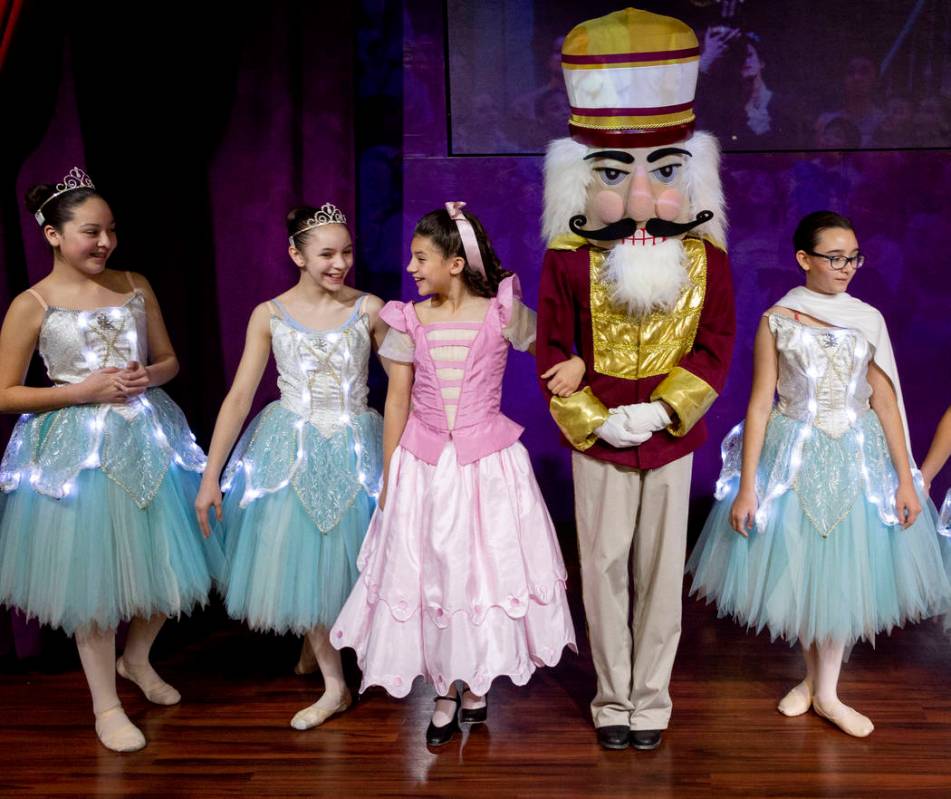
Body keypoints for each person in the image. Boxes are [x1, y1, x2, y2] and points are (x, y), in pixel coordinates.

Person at [535, 8, 735, 752]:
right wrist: (596, 417)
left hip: (670, 436)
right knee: (603, 565)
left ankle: (650, 695)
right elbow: (550, 350)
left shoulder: (708, 260)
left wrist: (660, 412)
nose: (644, 197)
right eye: (617, 175)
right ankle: (610, 692)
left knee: (659, 571)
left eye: (665, 172)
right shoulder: (565, 260)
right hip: (597, 437)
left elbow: (715, 345)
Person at [687, 211, 951, 737]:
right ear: (803, 259)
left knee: (844, 574)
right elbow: (760, 404)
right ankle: (815, 684)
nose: (846, 266)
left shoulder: (867, 318)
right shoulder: (777, 318)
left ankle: (825, 690)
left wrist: (906, 478)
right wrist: (748, 485)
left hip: (857, 455)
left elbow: (885, 400)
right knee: (806, 571)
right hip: (795, 456)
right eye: (834, 257)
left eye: (853, 256)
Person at [331, 203, 579, 746]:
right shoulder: (409, 319)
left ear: (457, 263)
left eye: (422, 258)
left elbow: (554, 350)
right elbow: (396, 400)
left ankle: (477, 681)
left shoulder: (501, 312)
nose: (412, 268)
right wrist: (392, 473)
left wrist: (578, 362)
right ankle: (444, 686)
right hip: (424, 464)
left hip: (487, 463)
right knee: (434, 573)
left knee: (479, 573)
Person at [0, 168, 222, 752]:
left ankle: (137, 658)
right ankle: (105, 703)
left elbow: (170, 359)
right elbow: (4, 392)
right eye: (90, 232)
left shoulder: (135, 284)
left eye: (111, 231)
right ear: (52, 234)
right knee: (91, 583)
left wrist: (149, 375)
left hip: (149, 438)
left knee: (173, 566)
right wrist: (80, 391)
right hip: (79, 455)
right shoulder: (33, 304)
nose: (104, 243)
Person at [195, 203, 386, 730]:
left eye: (346, 251)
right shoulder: (270, 314)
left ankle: (322, 652)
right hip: (291, 447)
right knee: (306, 558)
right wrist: (211, 476)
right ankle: (334, 686)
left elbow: (408, 383)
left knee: (343, 564)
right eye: (327, 253)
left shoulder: (370, 308)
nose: (339, 262)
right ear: (295, 254)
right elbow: (238, 398)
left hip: (354, 445)